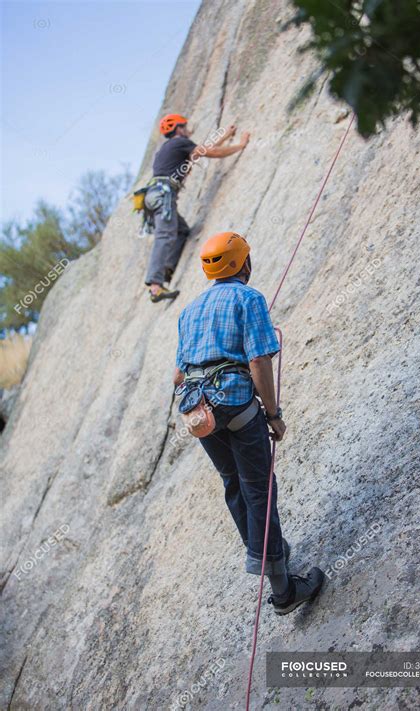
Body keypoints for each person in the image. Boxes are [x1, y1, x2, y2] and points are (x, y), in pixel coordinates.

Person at [173, 232, 325, 615]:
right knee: (260, 489)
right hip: (236, 404)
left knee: (234, 484)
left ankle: (266, 551)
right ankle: (284, 590)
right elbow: (259, 361)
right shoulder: (249, 298)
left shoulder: (189, 311)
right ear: (244, 264)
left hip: (198, 412)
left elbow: (178, 376)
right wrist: (273, 415)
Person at [145, 114, 250, 303]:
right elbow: (210, 153)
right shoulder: (179, 143)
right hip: (163, 196)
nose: (187, 129)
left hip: (156, 196)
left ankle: (167, 268)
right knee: (164, 235)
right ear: (178, 128)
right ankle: (155, 286)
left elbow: (200, 151)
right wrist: (240, 146)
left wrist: (226, 135)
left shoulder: (169, 148)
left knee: (182, 231)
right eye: (184, 126)